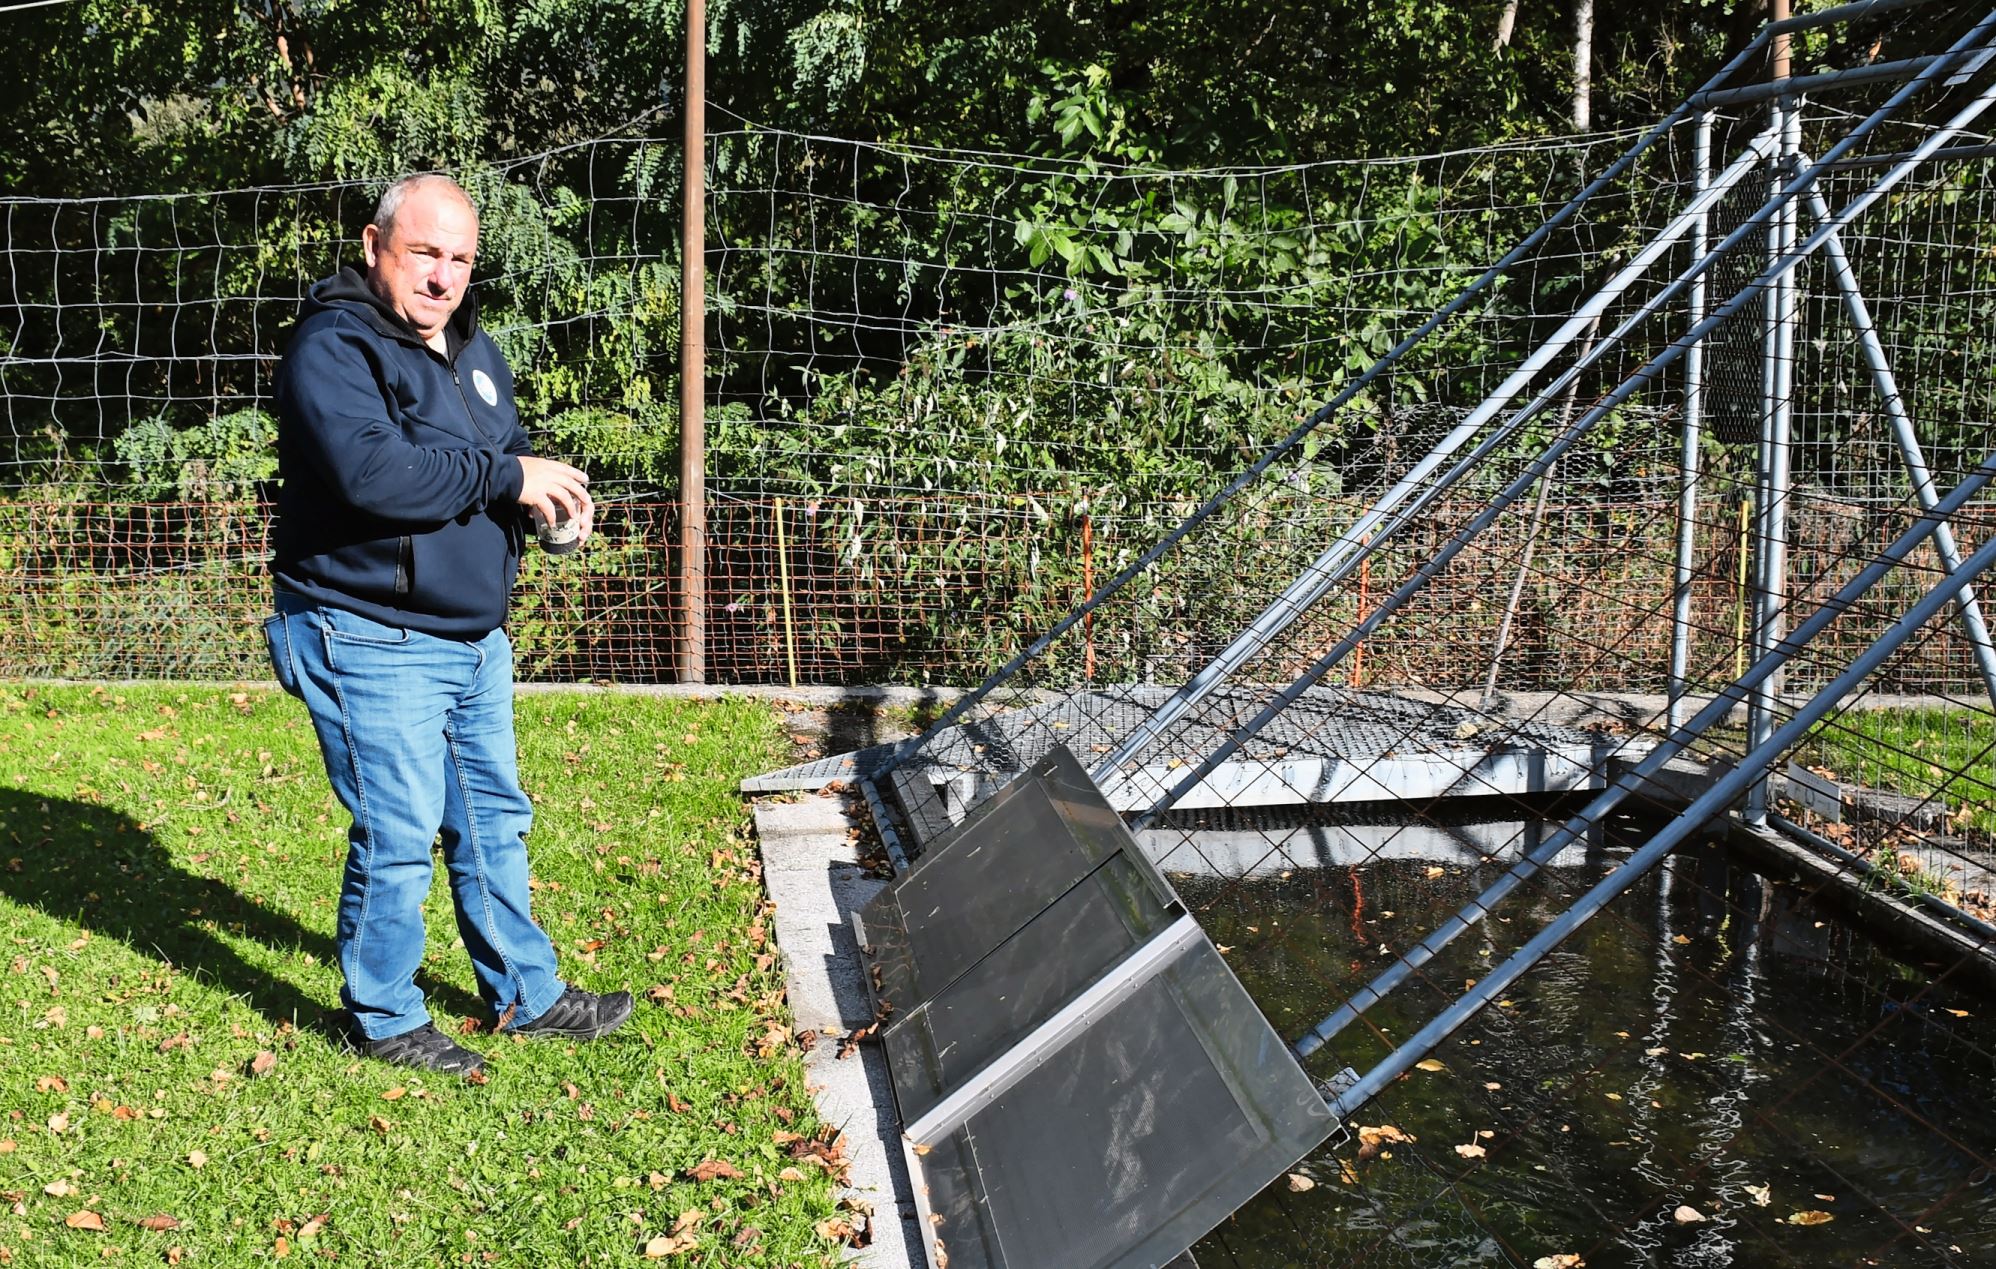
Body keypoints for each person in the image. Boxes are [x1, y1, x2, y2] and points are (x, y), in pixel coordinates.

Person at [262, 173, 631, 1075]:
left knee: (492, 817)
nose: (443, 277)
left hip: (471, 639)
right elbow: (374, 476)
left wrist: (548, 518)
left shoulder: (474, 354)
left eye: (460, 258)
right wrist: (508, 480)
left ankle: (525, 992)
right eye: (425, 252)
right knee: (400, 829)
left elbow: (495, 468)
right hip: (366, 629)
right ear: (373, 244)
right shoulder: (334, 347)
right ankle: (384, 1015)